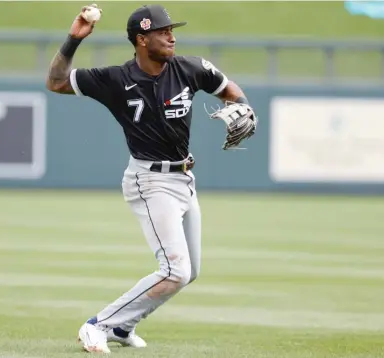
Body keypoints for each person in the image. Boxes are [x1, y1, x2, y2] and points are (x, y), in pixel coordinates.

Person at [46, 3, 256, 354]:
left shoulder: (190, 68)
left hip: (184, 179)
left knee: (189, 271)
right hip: (150, 180)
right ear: (142, 40)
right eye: (163, 32)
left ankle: (124, 326)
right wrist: (73, 39)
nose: (171, 37)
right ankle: (99, 324)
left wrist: (244, 106)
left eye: (172, 30)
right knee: (175, 270)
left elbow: (229, 88)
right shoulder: (115, 79)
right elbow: (55, 82)